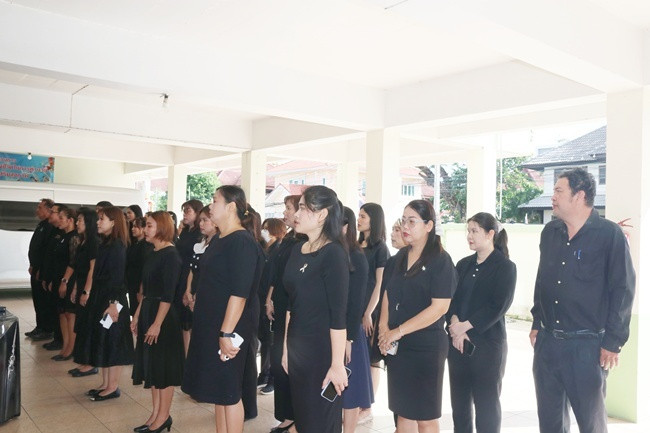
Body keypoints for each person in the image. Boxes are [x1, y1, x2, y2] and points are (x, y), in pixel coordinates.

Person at [529, 168, 635, 433]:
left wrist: (613, 342)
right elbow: (542, 281)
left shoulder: (609, 235)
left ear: (579, 196)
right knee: (550, 424)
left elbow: (622, 289)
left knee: (591, 424)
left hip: (587, 347)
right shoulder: (550, 232)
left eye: (558, 190)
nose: (552, 196)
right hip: (548, 345)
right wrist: (537, 322)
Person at [182, 186, 265, 433]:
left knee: (229, 392)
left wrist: (226, 332)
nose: (210, 206)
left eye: (214, 201)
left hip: (230, 327)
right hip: (212, 323)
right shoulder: (219, 238)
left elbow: (239, 293)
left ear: (230, 207)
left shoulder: (241, 242)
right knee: (218, 390)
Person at [378, 199, 457, 433]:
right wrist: (384, 330)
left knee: (425, 416)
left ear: (429, 226)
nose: (405, 226)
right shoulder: (397, 259)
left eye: (412, 221)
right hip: (398, 346)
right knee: (403, 412)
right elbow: (387, 295)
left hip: (426, 348)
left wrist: (397, 331)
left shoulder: (441, 261)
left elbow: (439, 308)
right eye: (403, 220)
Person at [282, 186, 349, 433]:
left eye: (302, 208)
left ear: (321, 215)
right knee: (304, 419)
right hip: (297, 348)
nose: (296, 214)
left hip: (322, 351)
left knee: (319, 422)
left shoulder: (333, 254)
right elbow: (291, 304)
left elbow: (338, 315)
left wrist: (337, 364)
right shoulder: (296, 250)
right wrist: (286, 349)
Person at [447, 212, 517, 433]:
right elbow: (451, 299)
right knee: (459, 407)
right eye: (468, 231)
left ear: (490, 234)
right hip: (457, 344)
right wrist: (455, 324)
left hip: (487, 346)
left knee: (486, 407)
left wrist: (465, 327)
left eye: (474, 231)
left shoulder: (505, 267)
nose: (469, 236)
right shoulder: (463, 265)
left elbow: (498, 306)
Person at [131, 211, 184, 433]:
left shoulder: (171, 255)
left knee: (164, 370)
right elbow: (146, 291)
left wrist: (157, 324)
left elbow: (167, 295)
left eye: (149, 225)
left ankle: (163, 417)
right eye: (145, 225)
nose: (145, 229)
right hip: (149, 310)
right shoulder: (153, 252)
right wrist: (137, 315)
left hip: (164, 317)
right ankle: (155, 414)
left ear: (162, 228)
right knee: (153, 369)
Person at [85, 206, 134, 401]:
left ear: (113, 222)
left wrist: (113, 304)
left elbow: (117, 278)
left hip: (114, 300)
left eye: (102, 219)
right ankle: (105, 384)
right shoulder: (106, 244)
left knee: (114, 342)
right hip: (102, 297)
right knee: (104, 340)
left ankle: (113, 387)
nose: (98, 222)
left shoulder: (118, 246)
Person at [265, 195, 302, 433]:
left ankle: (293, 417)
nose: (285, 212)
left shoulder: (303, 241)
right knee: (279, 361)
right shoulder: (287, 239)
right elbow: (276, 273)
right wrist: (269, 298)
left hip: (293, 307)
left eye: (289, 208)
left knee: (290, 363)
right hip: (279, 303)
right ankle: (285, 414)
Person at [357, 203, 390, 424]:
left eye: (363, 216)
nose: (358, 220)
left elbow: (380, 284)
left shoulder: (380, 248)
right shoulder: (356, 244)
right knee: (358, 358)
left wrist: (368, 312)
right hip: (355, 308)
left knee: (372, 359)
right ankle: (357, 401)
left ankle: (367, 407)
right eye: (359, 215)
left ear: (374, 220)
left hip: (371, 310)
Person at [341, 206, 373, 433]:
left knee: (350, 390)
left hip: (349, 332)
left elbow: (356, 304)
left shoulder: (356, 256)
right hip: (330, 330)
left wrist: (349, 338)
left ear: (344, 226)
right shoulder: (329, 252)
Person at [256, 218, 287, 395]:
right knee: (265, 339)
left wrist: (269, 300)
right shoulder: (265, 249)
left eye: (267, 229)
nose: (264, 231)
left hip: (272, 299)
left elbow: (275, 278)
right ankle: (264, 373)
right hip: (261, 296)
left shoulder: (279, 249)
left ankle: (272, 378)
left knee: (272, 340)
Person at [69, 209, 100, 377]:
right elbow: (79, 269)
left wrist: (86, 291)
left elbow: (92, 270)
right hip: (81, 284)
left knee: (88, 325)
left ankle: (90, 363)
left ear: (88, 222)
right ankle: (83, 361)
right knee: (81, 325)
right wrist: (75, 288)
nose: (77, 223)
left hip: (90, 289)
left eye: (80, 220)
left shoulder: (94, 242)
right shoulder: (83, 241)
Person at [174, 199, 204, 354]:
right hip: (180, 275)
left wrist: (189, 288)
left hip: (191, 276)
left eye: (188, 211)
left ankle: (189, 356)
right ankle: (184, 356)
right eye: (184, 211)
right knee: (182, 321)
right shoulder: (185, 231)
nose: (184, 214)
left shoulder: (200, 234)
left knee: (189, 320)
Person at [26, 198, 55, 341]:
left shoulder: (50, 227)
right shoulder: (42, 225)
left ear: (49, 210)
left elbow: (46, 251)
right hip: (36, 268)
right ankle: (40, 326)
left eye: (40, 207)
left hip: (41, 271)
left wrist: (40, 269)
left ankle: (47, 329)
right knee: (37, 299)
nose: (37, 210)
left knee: (44, 301)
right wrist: (33, 265)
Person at [52, 206, 79, 361]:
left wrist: (65, 281)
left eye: (61, 218)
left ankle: (71, 348)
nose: (59, 220)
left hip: (69, 280)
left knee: (69, 314)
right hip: (60, 279)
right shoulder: (63, 236)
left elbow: (72, 263)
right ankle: (65, 346)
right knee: (62, 313)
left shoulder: (74, 237)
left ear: (70, 220)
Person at [183, 206, 218, 315]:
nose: (201, 224)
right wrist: (188, 290)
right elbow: (192, 269)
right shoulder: (201, 242)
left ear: (215, 222)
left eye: (205, 220)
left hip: (205, 294)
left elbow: (208, 275)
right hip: (193, 291)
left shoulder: (217, 244)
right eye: (200, 220)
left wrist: (197, 295)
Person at [126, 217, 153, 316]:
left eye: (136, 227)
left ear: (143, 228)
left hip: (138, 285)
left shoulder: (146, 246)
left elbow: (144, 268)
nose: (132, 229)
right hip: (132, 284)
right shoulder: (135, 244)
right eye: (132, 226)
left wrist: (141, 290)